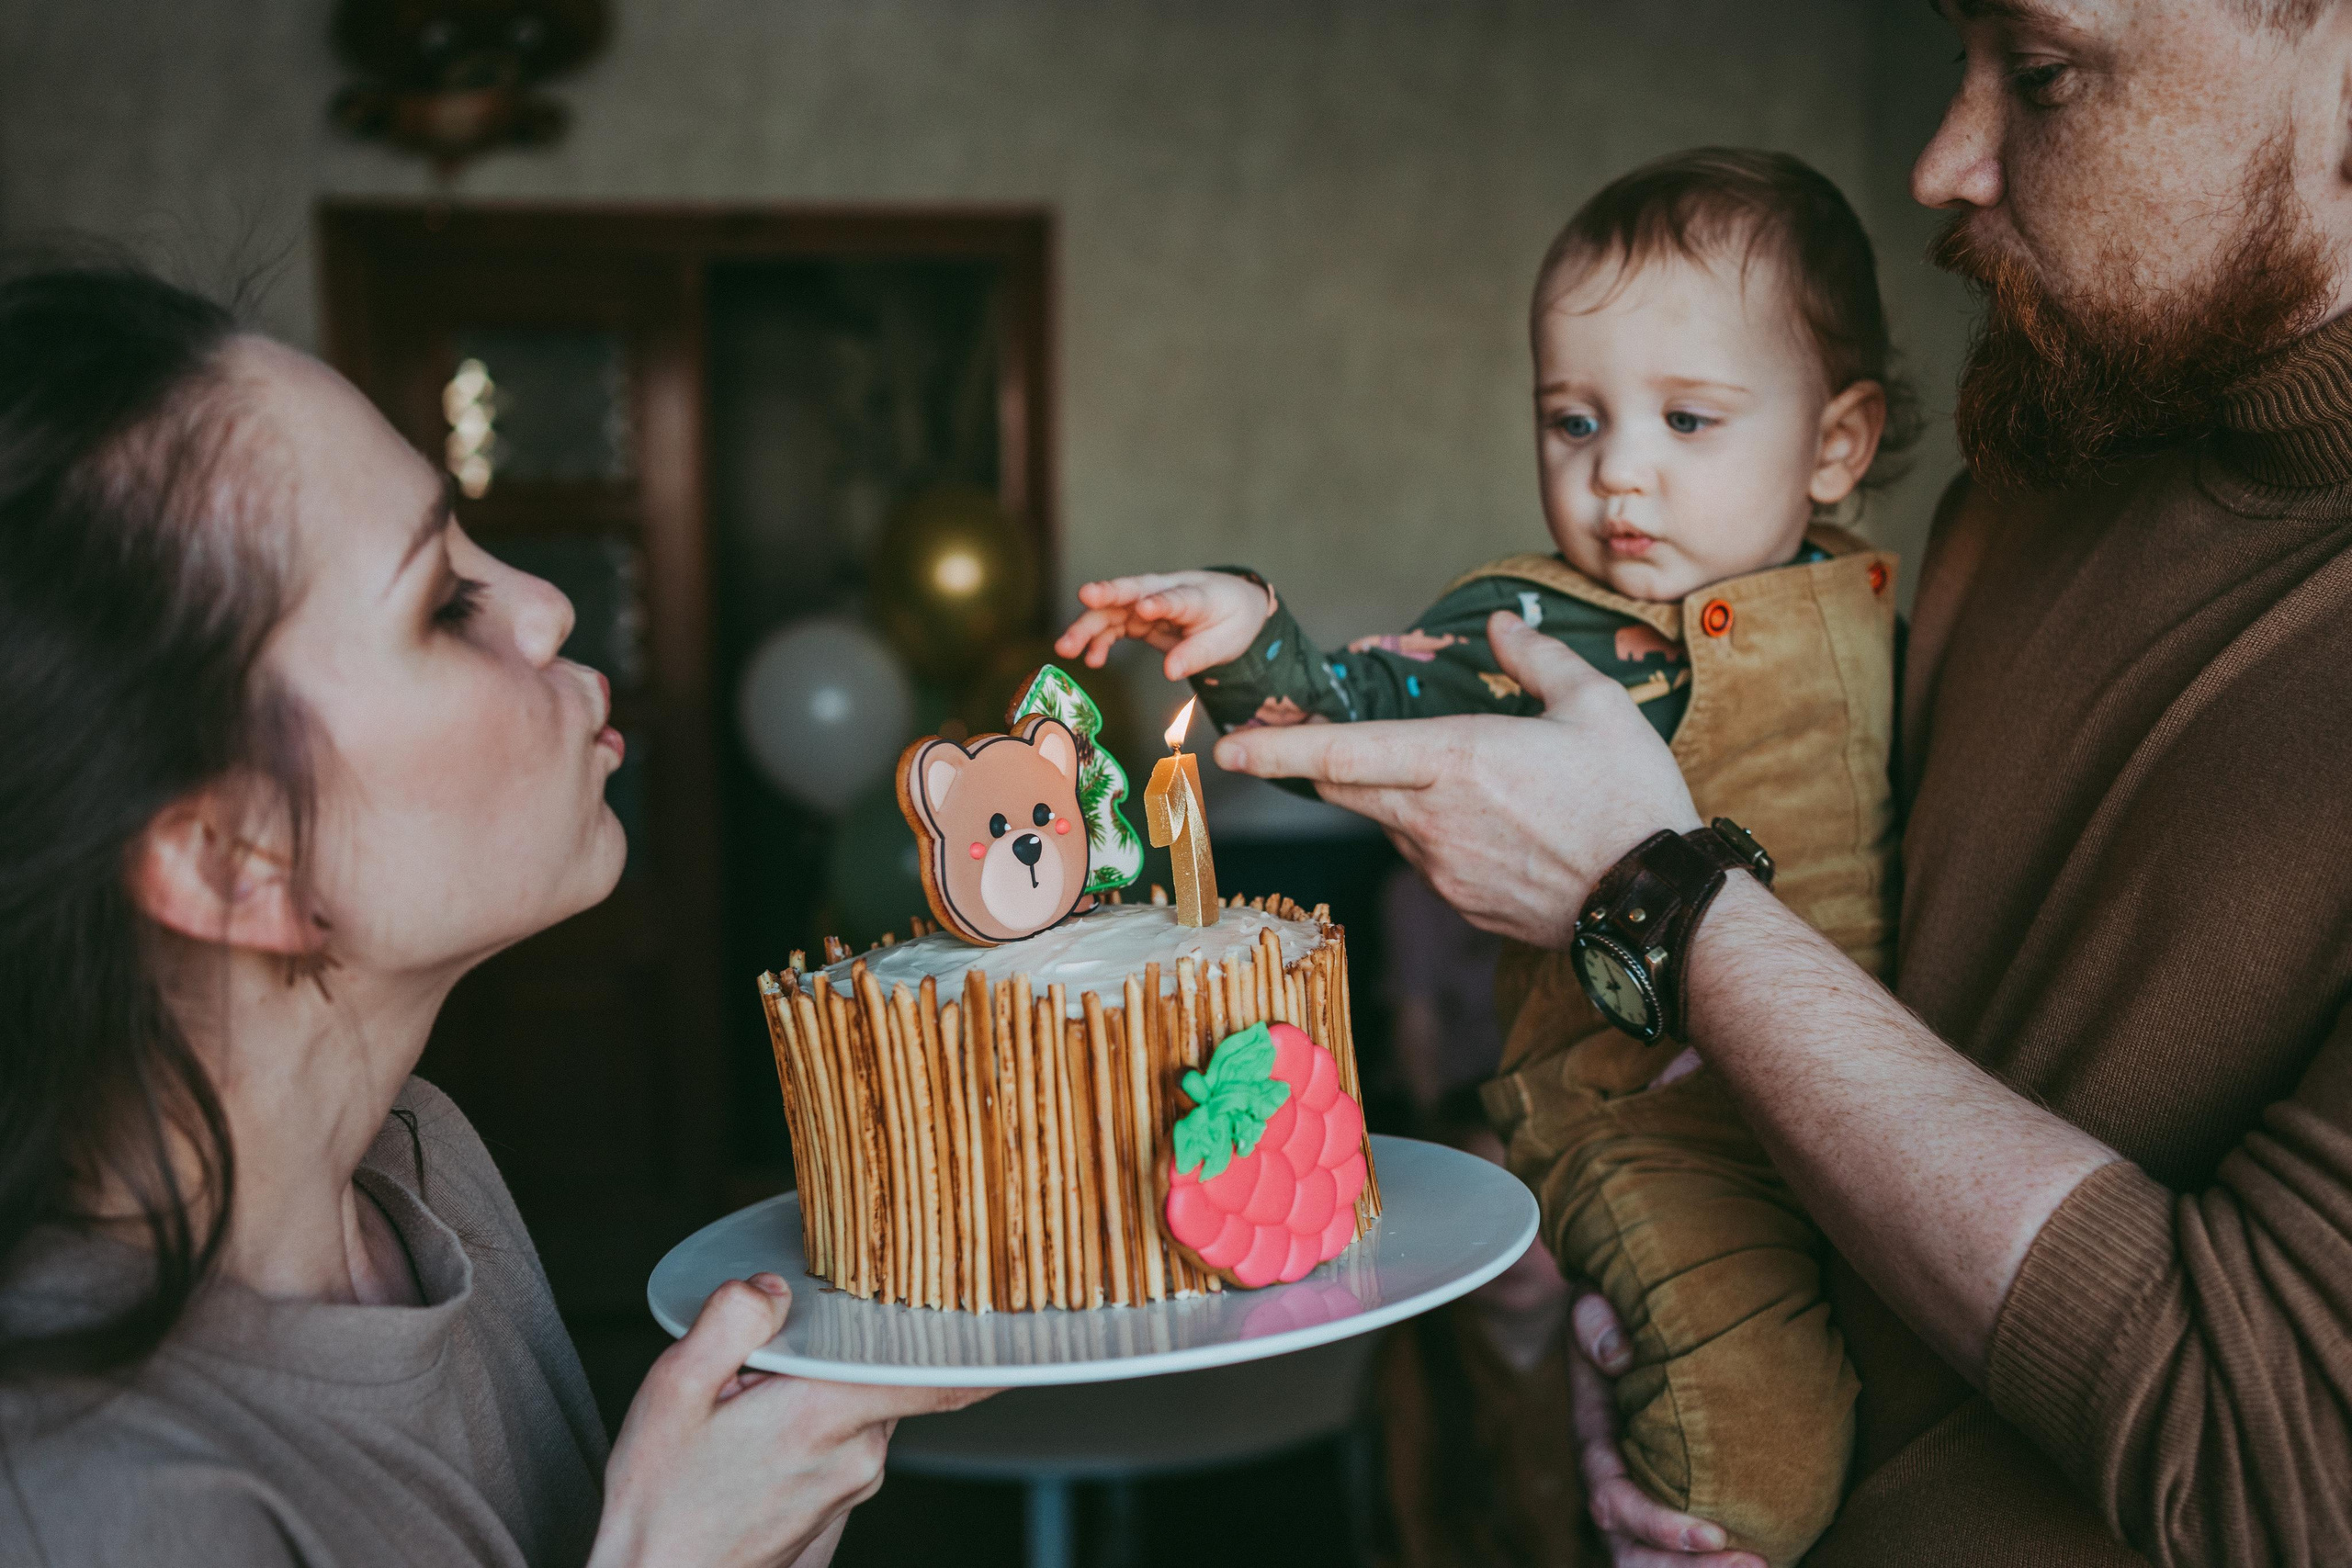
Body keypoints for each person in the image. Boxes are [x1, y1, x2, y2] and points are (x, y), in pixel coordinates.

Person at [1210, 1, 2352, 1564]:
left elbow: (2288, 1474)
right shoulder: (2019, 498)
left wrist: (1656, 894)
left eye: (2040, 71)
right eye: (1959, 60)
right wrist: (1643, 1373)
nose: (1942, 161)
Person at [0, 260, 985, 1567]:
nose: (544, 604)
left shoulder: (427, 1167)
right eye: (442, 603)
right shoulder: (76, 1504)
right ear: (235, 858)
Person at [1058, 151, 1917, 1565]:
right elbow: (1360, 705)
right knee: (1754, 1448)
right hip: (1648, 1120)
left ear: (1837, 446)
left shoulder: (1870, 612)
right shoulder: (1535, 629)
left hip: (1856, 1100)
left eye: (1686, 419)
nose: (1617, 470)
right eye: (1574, 420)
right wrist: (1253, 639)